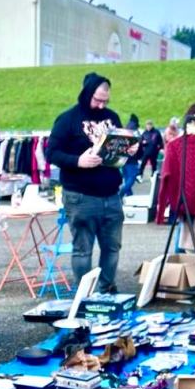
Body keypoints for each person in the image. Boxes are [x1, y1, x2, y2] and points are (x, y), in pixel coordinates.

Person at [46, 72, 132, 294]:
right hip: (81, 195)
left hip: (111, 193)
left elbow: (119, 150)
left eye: (105, 100)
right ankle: (84, 295)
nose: (101, 105)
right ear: (87, 94)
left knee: (112, 247)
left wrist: (129, 150)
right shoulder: (67, 119)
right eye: (97, 100)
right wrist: (78, 161)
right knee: (83, 249)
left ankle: (106, 290)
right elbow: (51, 153)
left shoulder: (112, 117)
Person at [119, 114, 140, 198]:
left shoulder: (124, 131)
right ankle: (122, 192)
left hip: (123, 158)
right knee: (132, 177)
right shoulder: (135, 132)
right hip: (132, 159)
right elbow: (139, 147)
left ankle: (129, 194)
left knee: (126, 177)